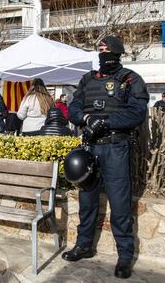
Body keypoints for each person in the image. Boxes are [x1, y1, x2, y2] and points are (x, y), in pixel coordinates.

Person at [63, 36, 149, 279]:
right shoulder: (87, 79)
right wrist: (88, 120)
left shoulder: (130, 79)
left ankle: (124, 255)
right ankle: (84, 245)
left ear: (118, 51)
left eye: (106, 49)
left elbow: (136, 113)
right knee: (87, 201)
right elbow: (73, 109)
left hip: (116, 148)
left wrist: (105, 123)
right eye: (99, 49)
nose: (102, 52)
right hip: (90, 147)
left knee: (120, 204)